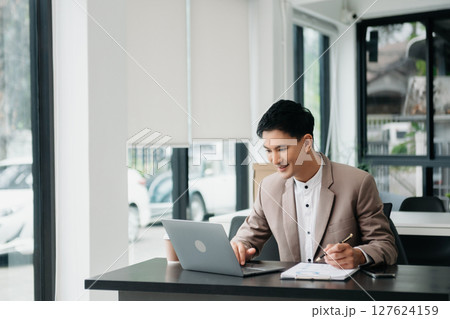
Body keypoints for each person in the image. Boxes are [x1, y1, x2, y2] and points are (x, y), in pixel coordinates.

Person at [231, 100, 397, 269]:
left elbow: (385, 245)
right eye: (268, 150)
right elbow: (247, 237)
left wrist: (359, 255)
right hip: (291, 292)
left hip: (340, 291)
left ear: (307, 143)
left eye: (281, 149)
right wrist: (239, 246)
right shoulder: (268, 188)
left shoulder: (358, 183)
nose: (274, 160)